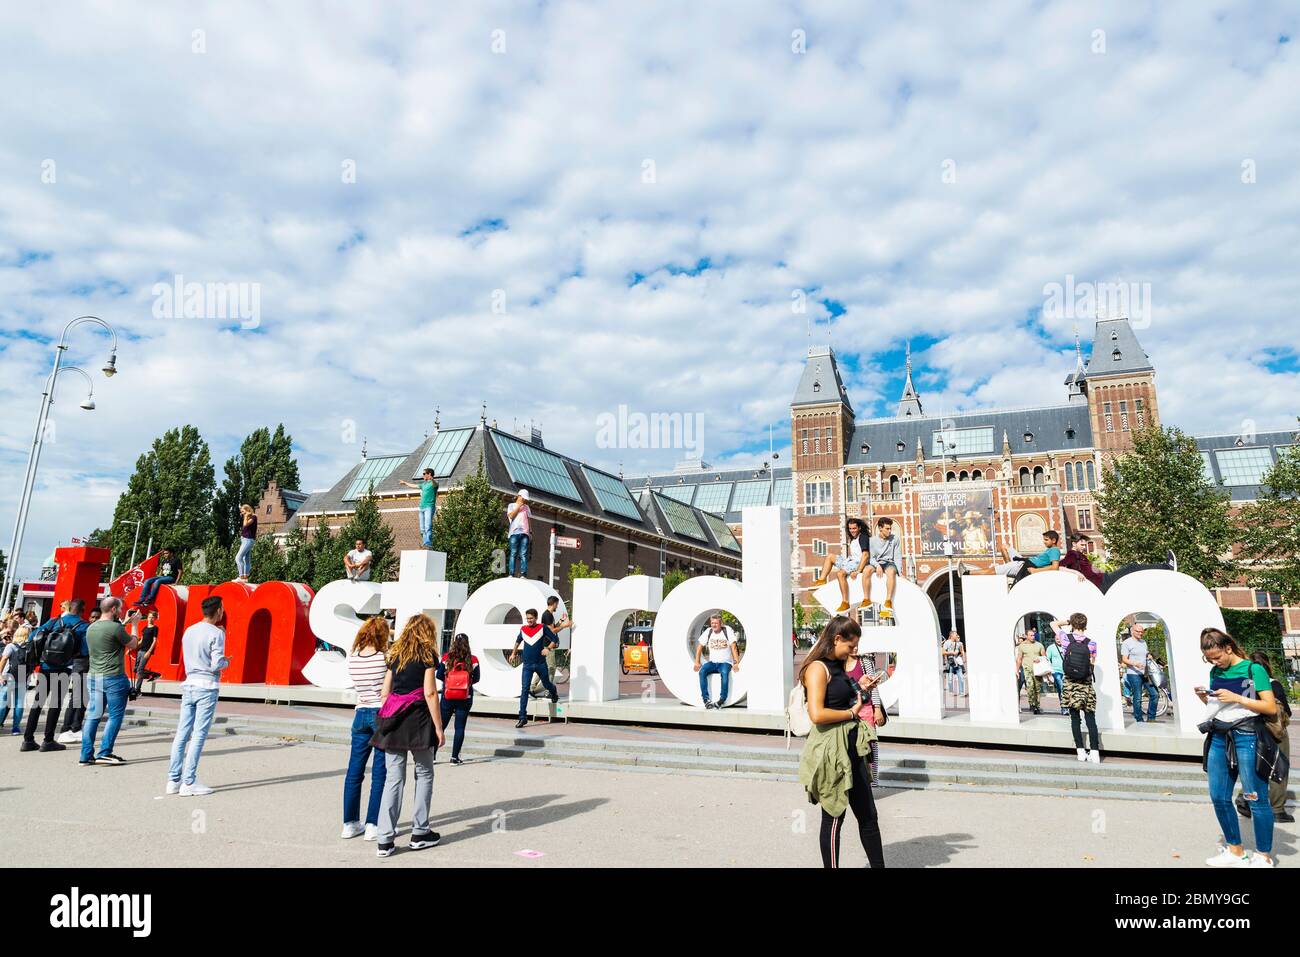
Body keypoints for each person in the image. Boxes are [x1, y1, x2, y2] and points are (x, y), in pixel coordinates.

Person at [796, 616, 885, 868]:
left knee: (869, 815)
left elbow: (845, 699)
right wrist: (852, 713)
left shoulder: (840, 667)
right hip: (832, 750)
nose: (854, 651)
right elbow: (817, 714)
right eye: (851, 645)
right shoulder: (817, 668)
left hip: (854, 748)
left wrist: (861, 688)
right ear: (836, 639)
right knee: (834, 816)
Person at [1196, 627, 1279, 867]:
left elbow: (1270, 707)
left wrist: (1237, 697)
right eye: (1209, 658)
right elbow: (1219, 705)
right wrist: (1206, 697)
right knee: (1218, 796)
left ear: (1228, 648)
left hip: (1247, 735)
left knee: (1255, 797)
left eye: (1217, 656)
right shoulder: (1215, 671)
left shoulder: (1254, 669)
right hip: (1220, 735)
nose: (1215, 662)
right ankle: (1235, 851)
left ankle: (1263, 855)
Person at [371, 613, 445, 858]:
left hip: (395, 722)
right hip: (420, 722)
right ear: (427, 633)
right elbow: (430, 694)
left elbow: (385, 691)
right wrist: (439, 728)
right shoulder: (427, 656)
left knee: (394, 779)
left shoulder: (395, 656)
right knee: (424, 774)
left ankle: (385, 839)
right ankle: (420, 832)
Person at [167, 595, 230, 796]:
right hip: (207, 685)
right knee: (199, 734)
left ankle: (173, 779)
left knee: (182, 732)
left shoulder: (190, 630)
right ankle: (189, 781)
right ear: (219, 610)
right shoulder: (217, 633)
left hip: (190, 683)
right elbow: (216, 663)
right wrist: (227, 662)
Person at [342, 616, 390, 841]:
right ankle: (373, 823)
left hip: (360, 712)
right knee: (380, 771)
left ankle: (349, 823)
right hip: (380, 713)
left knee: (354, 771)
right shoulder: (383, 658)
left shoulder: (353, 658)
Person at [22, 599, 89, 753]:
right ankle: (48, 740)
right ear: (81, 610)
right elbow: (84, 651)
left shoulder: (54, 621)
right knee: (55, 703)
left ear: (69, 608)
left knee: (38, 703)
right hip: (64, 668)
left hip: (45, 666)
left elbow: (33, 637)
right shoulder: (83, 626)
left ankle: (28, 740)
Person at [80, 597, 140, 766]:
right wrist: (135, 625)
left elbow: (112, 634)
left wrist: (125, 621)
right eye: (119, 609)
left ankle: (86, 755)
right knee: (115, 716)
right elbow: (133, 644)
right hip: (114, 677)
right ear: (113, 609)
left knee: (93, 715)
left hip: (94, 676)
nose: (121, 612)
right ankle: (105, 752)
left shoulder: (91, 627)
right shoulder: (115, 628)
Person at [1236, 652, 1294, 825]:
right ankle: (1277, 809)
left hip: (1250, 729)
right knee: (1279, 766)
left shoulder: (1244, 684)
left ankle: (1244, 798)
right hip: (1273, 731)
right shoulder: (1272, 684)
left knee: (1254, 768)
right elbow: (1286, 711)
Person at [1054, 613, 1101, 763]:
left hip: (1070, 683)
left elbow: (1052, 624)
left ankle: (1080, 752)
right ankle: (1095, 753)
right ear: (1085, 625)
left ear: (1073, 624)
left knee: (1075, 718)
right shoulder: (1092, 643)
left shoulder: (1065, 638)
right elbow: (1092, 663)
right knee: (1090, 718)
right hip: (1085, 683)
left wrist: (1069, 622)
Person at [1060, 534, 1178, 592]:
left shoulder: (1079, 555)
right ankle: (1166, 567)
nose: (1084, 545)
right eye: (1081, 543)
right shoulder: (1072, 554)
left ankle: (1164, 569)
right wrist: (1075, 572)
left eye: (1085, 543)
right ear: (1074, 544)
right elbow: (1058, 567)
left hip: (1103, 580)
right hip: (1102, 583)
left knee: (1132, 573)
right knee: (1131, 567)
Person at [810, 517, 872, 614]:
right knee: (830, 557)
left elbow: (865, 555)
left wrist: (858, 571)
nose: (852, 531)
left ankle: (845, 602)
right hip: (850, 561)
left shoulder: (863, 537)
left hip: (857, 563)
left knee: (840, 574)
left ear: (859, 528)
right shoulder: (853, 539)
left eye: (854, 528)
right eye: (850, 529)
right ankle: (821, 580)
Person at [509, 608, 558, 727]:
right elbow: (517, 641)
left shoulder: (542, 628)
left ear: (536, 618)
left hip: (541, 664)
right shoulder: (523, 629)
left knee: (546, 684)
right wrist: (513, 653)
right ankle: (522, 717)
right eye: (527, 618)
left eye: (531, 618)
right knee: (524, 689)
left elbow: (555, 639)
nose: (529, 620)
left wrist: (548, 648)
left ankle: (553, 691)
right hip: (527, 665)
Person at [436, 633, 480, 765]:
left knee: (441, 726)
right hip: (465, 697)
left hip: (447, 696)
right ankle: (454, 758)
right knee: (459, 727)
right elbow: (477, 678)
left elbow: (438, 675)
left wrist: (450, 682)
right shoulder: (473, 660)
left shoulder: (446, 658)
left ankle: (432, 755)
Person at [846, 650, 886, 785]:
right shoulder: (837, 663)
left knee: (870, 746)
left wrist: (877, 708)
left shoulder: (865, 661)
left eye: (857, 644)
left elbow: (874, 687)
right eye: (851, 643)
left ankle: (871, 782)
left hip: (866, 709)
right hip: (847, 710)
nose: (855, 648)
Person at [969, 530, 1062, 582]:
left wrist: (1035, 570)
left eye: (1046, 540)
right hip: (1023, 562)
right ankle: (1010, 566)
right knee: (1004, 546)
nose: (1044, 542)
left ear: (1053, 540)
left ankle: (967, 573)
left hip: (1024, 566)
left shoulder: (1054, 550)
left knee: (993, 571)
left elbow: (1055, 567)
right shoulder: (1050, 550)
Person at [693, 613, 741, 709]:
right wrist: (697, 662)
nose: (714, 625)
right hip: (712, 663)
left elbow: (733, 646)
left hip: (725, 663)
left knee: (724, 673)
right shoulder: (708, 631)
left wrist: (736, 662)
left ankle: (722, 699)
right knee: (702, 671)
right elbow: (699, 647)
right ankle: (706, 700)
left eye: (716, 623)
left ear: (721, 623)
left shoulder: (727, 630)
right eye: (712, 623)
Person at [1121, 623, 1158, 723]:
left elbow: (1145, 653)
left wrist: (1148, 655)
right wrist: (1135, 664)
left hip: (1145, 673)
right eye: (1138, 631)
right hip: (1133, 673)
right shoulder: (1126, 643)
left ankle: (1151, 718)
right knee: (1138, 698)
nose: (1140, 633)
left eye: (1142, 631)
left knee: (1155, 694)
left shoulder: (1143, 642)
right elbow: (1124, 659)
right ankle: (1139, 719)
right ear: (1132, 631)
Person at [868, 517, 902, 621]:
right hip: (877, 562)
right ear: (880, 528)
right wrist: (877, 566)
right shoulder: (872, 541)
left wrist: (900, 573)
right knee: (867, 570)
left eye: (890, 528)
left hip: (889, 562)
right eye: (887, 528)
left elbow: (897, 556)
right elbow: (871, 557)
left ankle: (888, 601)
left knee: (891, 572)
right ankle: (866, 598)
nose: (889, 531)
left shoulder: (895, 539)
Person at [0, 625, 30, 734]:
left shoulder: (11, 646)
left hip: (9, 676)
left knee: (3, 703)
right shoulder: (29, 647)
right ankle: (16, 728)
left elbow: (3, 660)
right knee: (19, 703)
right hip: (23, 676)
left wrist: (0, 675)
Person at [400, 468, 439, 549]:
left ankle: (428, 543)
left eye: (424, 474)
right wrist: (405, 483)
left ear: (429, 474)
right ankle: (425, 543)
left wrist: (432, 480)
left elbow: (435, 484)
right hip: (421, 508)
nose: (423, 475)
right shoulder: (423, 484)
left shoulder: (434, 484)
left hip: (429, 507)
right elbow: (414, 486)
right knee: (422, 528)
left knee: (428, 526)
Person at [539, 595, 572, 681]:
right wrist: (565, 625)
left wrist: (561, 620)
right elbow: (552, 631)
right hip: (548, 645)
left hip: (548, 644)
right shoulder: (547, 615)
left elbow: (552, 627)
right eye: (557, 604)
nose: (557, 606)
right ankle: (549, 689)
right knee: (551, 667)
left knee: (544, 667)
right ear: (553, 604)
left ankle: (532, 687)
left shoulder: (549, 615)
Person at [130, 610, 159, 700]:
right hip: (140, 650)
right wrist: (133, 647)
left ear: (155, 618)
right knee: (136, 669)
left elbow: (154, 641)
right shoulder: (145, 628)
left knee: (140, 670)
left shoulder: (155, 628)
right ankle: (154, 674)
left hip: (147, 651)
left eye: (152, 617)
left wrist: (149, 651)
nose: (150, 619)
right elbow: (141, 640)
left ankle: (138, 690)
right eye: (149, 617)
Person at [1016, 628, 1046, 715]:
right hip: (1027, 669)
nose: (1033, 637)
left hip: (1037, 670)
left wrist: (1039, 659)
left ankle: (1037, 706)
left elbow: (1044, 657)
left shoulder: (1039, 645)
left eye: (1033, 635)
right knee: (1030, 686)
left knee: (1037, 688)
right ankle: (1032, 704)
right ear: (1027, 636)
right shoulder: (1022, 646)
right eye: (1031, 635)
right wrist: (1017, 670)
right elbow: (1019, 659)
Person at [506, 489, 532, 578]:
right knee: (513, 553)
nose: (524, 500)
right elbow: (511, 516)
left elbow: (529, 520)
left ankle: (523, 573)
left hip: (525, 532)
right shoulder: (511, 505)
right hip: (514, 532)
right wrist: (519, 506)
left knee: (523, 553)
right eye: (523, 498)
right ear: (519, 496)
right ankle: (511, 573)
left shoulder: (527, 508)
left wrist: (530, 532)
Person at [1045, 635, 1067, 715]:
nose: (1058, 640)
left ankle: (1067, 707)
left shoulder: (1066, 647)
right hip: (1056, 672)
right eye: (1057, 639)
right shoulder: (1051, 648)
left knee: (1066, 690)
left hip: (1067, 672)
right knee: (1061, 689)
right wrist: (1049, 672)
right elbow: (1047, 659)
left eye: (1060, 639)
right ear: (1055, 639)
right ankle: (1064, 708)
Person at [235, 504, 257, 583]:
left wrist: (246, 516)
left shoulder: (253, 517)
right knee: (246, 559)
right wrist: (246, 516)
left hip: (248, 540)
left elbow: (245, 524)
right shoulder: (249, 517)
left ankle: (241, 576)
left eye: (243, 511)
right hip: (245, 540)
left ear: (247, 510)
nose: (242, 513)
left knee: (238, 558)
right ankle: (245, 578)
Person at [941, 630, 966, 696]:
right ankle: (951, 691)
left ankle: (961, 692)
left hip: (958, 662)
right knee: (950, 678)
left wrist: (960, 656)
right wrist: (952, 653)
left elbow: (961, 651)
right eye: (955, 634)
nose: (957, 635)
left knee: (961, 677)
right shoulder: (947, 643)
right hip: (950, 662)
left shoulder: (959, 643)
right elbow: (943, 652)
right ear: (952, 635)